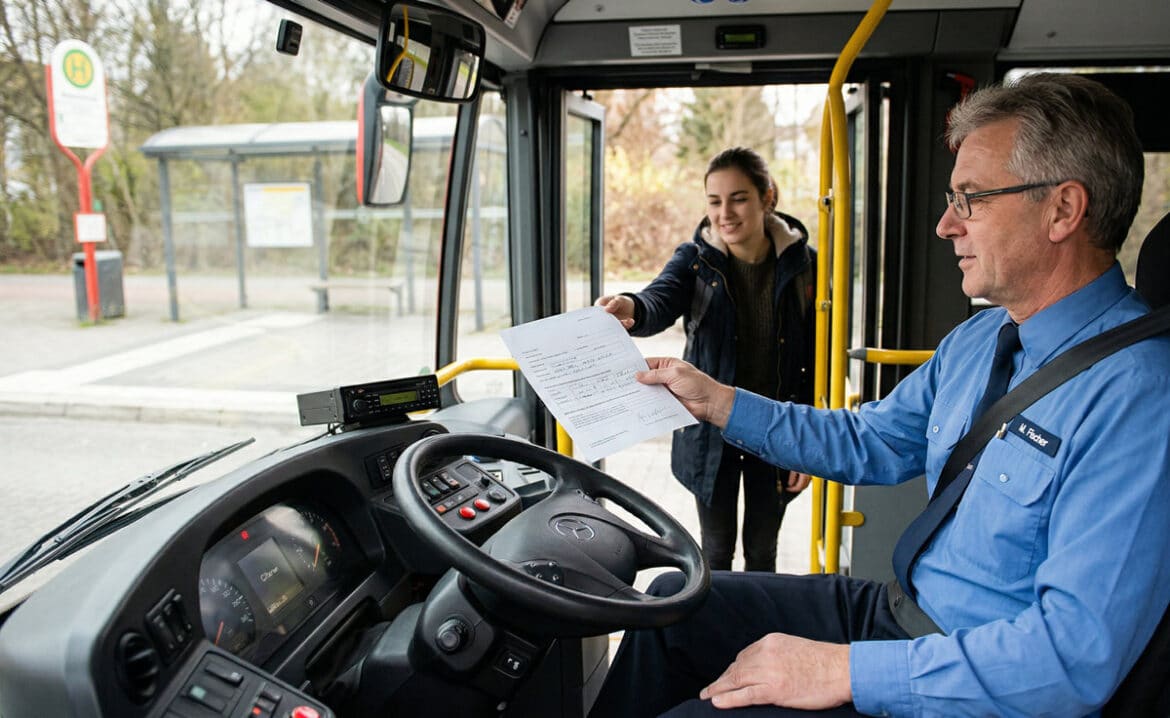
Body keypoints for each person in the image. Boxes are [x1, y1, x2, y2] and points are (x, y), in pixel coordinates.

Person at [590, 72, 1170, 717]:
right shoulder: (981, 339)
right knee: (672, 604)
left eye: (971, 199)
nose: (946, 225)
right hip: (899, 612)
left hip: (969, 678)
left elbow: (1070, 659)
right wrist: (718, 402)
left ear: (1062, 210)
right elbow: (872, 440)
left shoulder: (1139, 397)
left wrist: (842, 670)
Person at [595, 146, 816, 573]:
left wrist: (805, 445)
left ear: (768, 197)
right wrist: (630, 306)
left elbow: (813, 360)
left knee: (763, 551)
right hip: (711, 430)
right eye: (714, 201)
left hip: (774, 426)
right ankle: (721, 620)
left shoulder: (805, 267)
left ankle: (759, 618)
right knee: (715, 552)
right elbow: (658, 299)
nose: (724, 213)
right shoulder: (695, 260)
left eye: (739, 198)